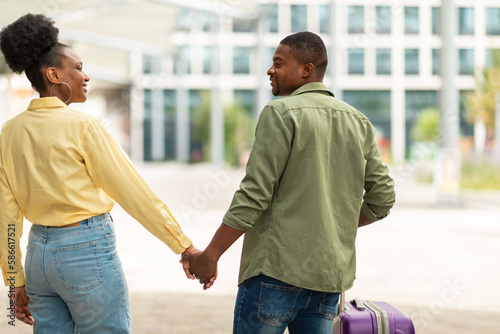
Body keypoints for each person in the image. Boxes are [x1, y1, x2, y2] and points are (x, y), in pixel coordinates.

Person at [0, 14, 206, 334]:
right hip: (85, 251)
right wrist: (183, 245)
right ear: (53, 74)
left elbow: (5, 217)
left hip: (37, 256)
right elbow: (132, 192)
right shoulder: (83, 125)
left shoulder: (8, 133)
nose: (86, 76)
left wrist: (14, 281)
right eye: (78, 67)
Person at [182, 31, 396, 334]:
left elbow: (254, 195)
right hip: (327, 278)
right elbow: (383, 197)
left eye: (278, 63)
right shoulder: (358, 121)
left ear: (307, 69)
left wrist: (211, 255)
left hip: (275, 273)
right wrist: (336, 224)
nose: (270, 71)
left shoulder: (280, 113)